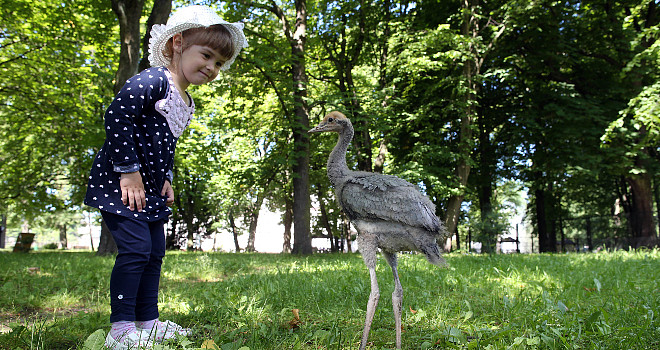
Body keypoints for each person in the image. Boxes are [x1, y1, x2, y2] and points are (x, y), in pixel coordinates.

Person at [84, 5, 248, 349]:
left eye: (219, 62)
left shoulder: (185, 101)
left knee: (155, 249)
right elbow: (117, 117)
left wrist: (166, 177)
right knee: (136, 249)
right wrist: (128, 173)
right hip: (121, 184)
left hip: (151, 188)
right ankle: (121, 327)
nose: (212, 67)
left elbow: (164, 145)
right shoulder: (153, 80)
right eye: (206, 55)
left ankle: (147, 321)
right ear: (177, 43)